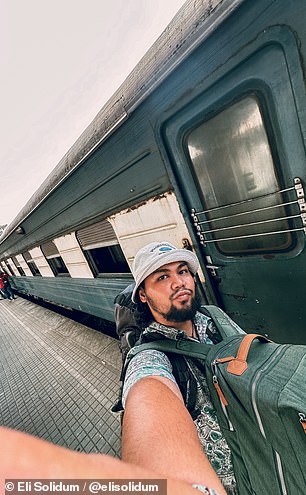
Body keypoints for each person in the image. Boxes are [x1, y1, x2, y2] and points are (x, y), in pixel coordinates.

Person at [119, 241, 237, 495]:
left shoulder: (216, 318)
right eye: (162, 276)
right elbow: (149, 394)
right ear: (143, 294)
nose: (179, 282)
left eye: (182, 271)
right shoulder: (150, 357)